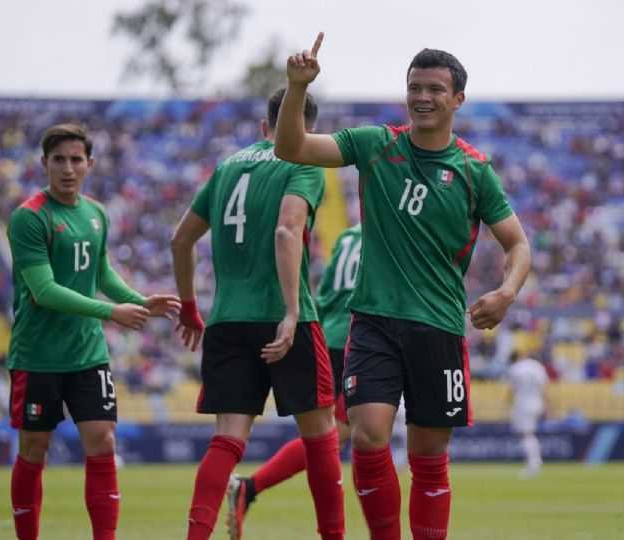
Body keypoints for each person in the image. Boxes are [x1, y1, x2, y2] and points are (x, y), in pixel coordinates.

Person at [275, 33, 532, 539]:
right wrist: (297, 88)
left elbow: (518, 245)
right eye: (415, 86)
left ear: (457, 99)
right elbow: (292, 146)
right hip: (372, 322)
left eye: (436, 88)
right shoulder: (376, 144)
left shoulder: (475, 171)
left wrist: (507, 293)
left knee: (429, 454)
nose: (423, 96)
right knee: (368, 437)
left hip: (437, 327)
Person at [171, 88, 344, 540]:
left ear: (264, 127)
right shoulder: (306, 161)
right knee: (322, 436)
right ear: (308, 129)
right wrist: (290, 312)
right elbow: (288, 230)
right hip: (286, 315)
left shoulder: (227, 166)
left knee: (227, 439)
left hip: (227, 319)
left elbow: (180, 241)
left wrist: (190, 308)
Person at [6, 124, 180, 540]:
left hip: (88, 354)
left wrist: (138, 302)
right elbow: (44, 291)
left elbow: (100, 272)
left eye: (76, 160)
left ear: (90, 164)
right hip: (38, 355)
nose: (68, 168)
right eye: (59, 160)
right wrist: (111, 312)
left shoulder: (97, 214)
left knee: (102, 442)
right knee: (35, 450)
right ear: (44, 163)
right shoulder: (29, 218)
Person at [225, 223, 361, 539]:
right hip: (361, 339)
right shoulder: (387, 228)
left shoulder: (346, 237)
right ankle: (251, 487)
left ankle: (250, 488)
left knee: (338, 434)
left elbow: (325, 293)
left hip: (332, 336)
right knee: (337, 436)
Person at [506, 350, 548, 478]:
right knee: (529, 434)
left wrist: (507, 406)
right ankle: (535, 462)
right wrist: (547, 405)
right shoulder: (537, 366)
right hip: (538, 401)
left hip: (524, 404)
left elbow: (512, 390)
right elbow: (544, 386)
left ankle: (533, 464)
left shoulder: (515, 368)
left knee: (526, 434)